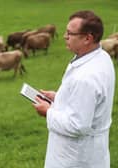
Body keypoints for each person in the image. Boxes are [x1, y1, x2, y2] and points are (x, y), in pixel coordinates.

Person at [33, 10, 115, 168]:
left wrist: (48, 111)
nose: (65, 36)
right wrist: (60, 97)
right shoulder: (102, 57)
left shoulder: (86, 77)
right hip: (92, 150)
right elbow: (89, 100)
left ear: (87, 38)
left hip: (75, 158)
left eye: (70, 33)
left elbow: (78, 125)